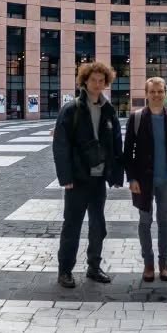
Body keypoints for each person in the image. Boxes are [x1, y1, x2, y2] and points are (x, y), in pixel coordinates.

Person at [52, 61, 124, 289]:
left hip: (98, 179)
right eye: (93, 79)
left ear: (106, 82)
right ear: (85, 81)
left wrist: (115, 174)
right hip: (78, 178)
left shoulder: (108, 109)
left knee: (98, 226)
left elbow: (115, 144)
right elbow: (61, 145)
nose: (97, 84)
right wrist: (66, 178)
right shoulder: (71, 109)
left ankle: (94, 266)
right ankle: (65, 271)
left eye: (101, 80)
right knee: (72, 225)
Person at [123, 76, 167, 282]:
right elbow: (127, 152)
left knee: (164, 221)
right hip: (144, 181)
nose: (156, 95)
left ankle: (163, 263)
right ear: (146, 94)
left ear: (165, 93)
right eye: (152, 92)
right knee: (145, 221)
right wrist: (131, 179)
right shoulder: (136, 118)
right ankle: (148, 262)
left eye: (160, 91)